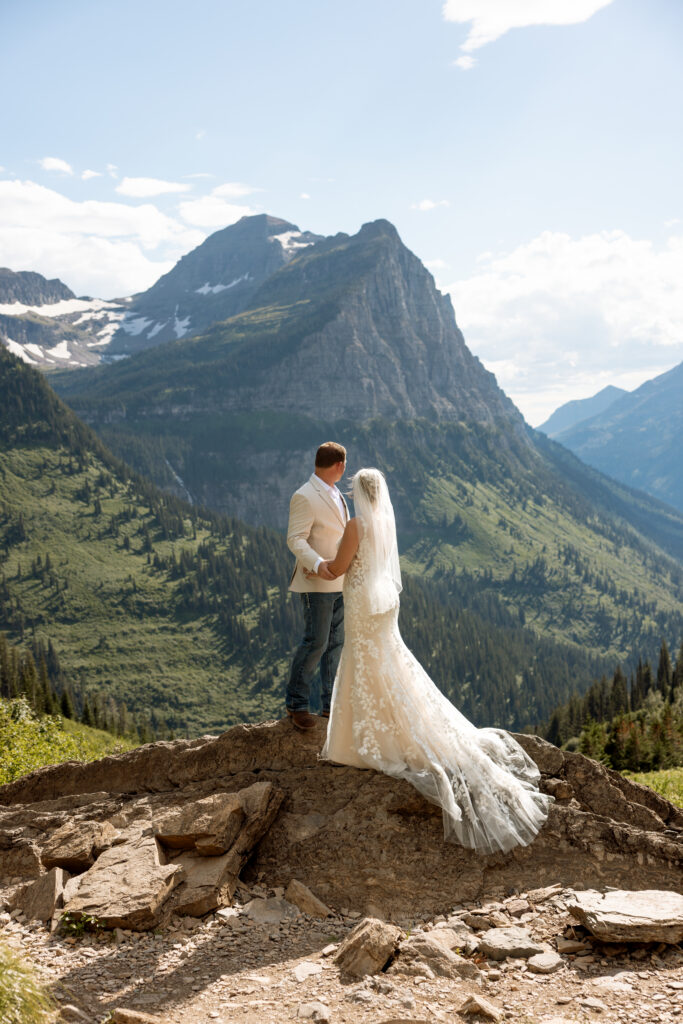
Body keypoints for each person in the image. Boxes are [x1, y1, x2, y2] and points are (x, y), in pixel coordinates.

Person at [320, 467, 554, 854]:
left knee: (363, 658)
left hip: (362, 600)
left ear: (357, 491)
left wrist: (316, 565)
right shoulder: (384, 522)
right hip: (386, 603)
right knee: (389, 659)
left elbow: (341, 567)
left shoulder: (356, 525)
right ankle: (402, 723)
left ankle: (365, 738)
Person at [285, 442, 349, 732]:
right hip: (316, 581)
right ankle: (296, 704)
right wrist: (318, 563)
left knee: (334, 646)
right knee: (315, 642)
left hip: (341, 581)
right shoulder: (305, 495)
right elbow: (295, 539)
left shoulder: (338, 495)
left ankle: (328, 707)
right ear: (340, 465)